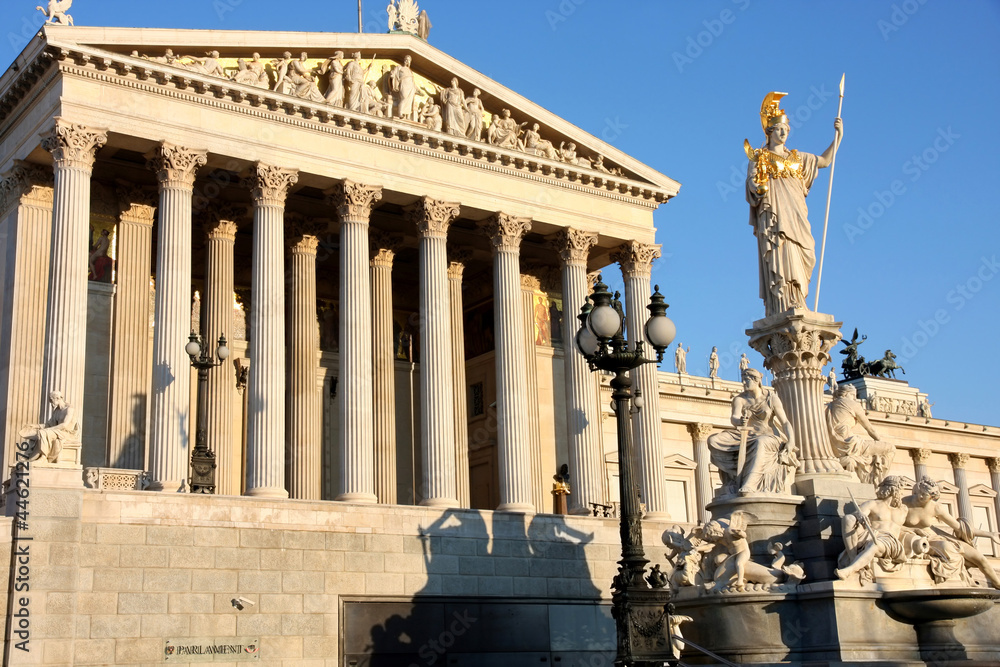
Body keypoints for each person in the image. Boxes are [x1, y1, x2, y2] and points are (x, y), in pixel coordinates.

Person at [747, 92, 843, 316]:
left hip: (797, 214)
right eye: (779, 129)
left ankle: (799, 299)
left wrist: (838, 137)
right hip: (775, 215)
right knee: (781, 252)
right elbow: (751, 182)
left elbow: (825, 161)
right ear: (769, 131)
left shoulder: (798, 158)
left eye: (787, 130)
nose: (784, 133)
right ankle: (782, 304)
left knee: (806, 252)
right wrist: (757, 188)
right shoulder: (760, 158)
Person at [708, 368, 797, 495]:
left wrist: (791, 441)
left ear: (756, 381)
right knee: (713, 440)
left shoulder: (771, 398)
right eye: (743, 380)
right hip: (746, 434)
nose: (744, 383)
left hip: (768, 436)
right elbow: (734, 418)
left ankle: (750, 483)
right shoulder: (739, 399)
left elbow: (785, 422)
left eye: (746, 380)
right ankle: (735, 476)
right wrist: (740, 421)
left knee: (760, 443)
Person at [903, 476, 1000, 589]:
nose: (920, 497)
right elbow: (894, 524)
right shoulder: (904, 503)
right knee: (948, 548)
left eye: (925, 495)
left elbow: (959, 527)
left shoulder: (936, 508)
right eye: (920, 493)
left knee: (980, 559)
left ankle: (998, 584)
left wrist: (990, 534)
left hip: (935, 536)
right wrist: (913, 530)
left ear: (932, 497)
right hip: (915, 539)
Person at [835, 476, 912, 581]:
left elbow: (904, 528)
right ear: (892, 490)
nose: (900, 494)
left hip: (890, 542)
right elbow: (858, 513)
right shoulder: (873, 504)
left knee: (875, 544)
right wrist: (860, 516)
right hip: (871, 535)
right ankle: (853, 559)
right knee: (848, 519)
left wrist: (917, 532)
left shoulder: (903, 509)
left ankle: (849, 570)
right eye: (899, 490)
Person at [826, 385, 894, 484]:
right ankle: (878, 483)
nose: (855, 398)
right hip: (851, 444)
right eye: (853, 395)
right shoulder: (852, 404)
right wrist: (879, 441)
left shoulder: (829, 406)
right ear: (845, 394)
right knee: (890, 448)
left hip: (834, 447)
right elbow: (869, 428)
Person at [19, 392, 80, 464]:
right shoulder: (57, 411)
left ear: (57, 398)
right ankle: (29, 457)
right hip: (58, 432)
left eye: (51, 400)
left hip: (67, 433)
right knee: (34, 434)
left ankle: (43, 457)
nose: (51, 403)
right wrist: (35, 426)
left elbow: (64, 425)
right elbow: (49, 424)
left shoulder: (69, 409)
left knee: (43, 432)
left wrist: (48, 429)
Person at [390, 55, 416, 120]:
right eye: (406, 59)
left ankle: (408, 116)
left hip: (411, 86)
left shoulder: (410, 71)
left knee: (410, 101)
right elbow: (394, 73)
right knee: (404, 98)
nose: (407, 61)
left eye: (409, 60)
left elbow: (413, 81)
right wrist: (392, 75)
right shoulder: (399, 67)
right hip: (403, 83)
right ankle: (400, 113)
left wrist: (416, 89)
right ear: (404, 60)